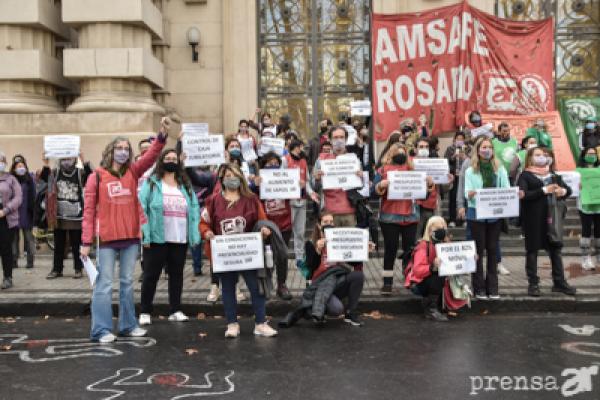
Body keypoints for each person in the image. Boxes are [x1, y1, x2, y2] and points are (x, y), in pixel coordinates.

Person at [81, 117, 171, 343]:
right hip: (107, 240)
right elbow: (89, 211)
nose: (122, 152)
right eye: (118, 148)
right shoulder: (97, 176)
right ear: (110, 151)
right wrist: (85, 242)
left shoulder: (133, 171)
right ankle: (101, 330)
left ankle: (128, 325)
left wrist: (161, 135)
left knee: (127, 283)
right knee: (103, 286)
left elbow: (150, 157)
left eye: (126, 148)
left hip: (131, 237)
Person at [200, 163, 277, 338]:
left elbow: (262, 220)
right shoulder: (213, 201)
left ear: (240, 177)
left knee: (256, 288)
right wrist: (207, 232)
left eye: (234, 175)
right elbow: (203, 222)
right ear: (222, 179)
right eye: (227, 175)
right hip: (225, 254)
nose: (231, 179)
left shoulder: (251, 199)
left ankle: (260, 323)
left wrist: (264, 230)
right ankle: (232, 324)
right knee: (227, 289)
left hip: (248, 253)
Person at [138, 148, 200, 326]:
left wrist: (194, 234)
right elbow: (142, 208)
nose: (171, 160)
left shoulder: (185, 185)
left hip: (179, 238)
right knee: (151, 275)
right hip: (157, 238)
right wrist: (145, 234)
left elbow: (194, 209)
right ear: (161, 161)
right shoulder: (151, 183)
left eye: (174, 158)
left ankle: (175, 309)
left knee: (177, 275)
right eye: (168, 158)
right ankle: (145, 310)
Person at [278, 212, 366, 328]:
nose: (329, 224)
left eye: (331, 222)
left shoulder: (337, 240)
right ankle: (317, 309)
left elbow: (353, 262)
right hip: (320, 284)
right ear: (319, 225)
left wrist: (364, 251)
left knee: (358, 276)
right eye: (325, 222)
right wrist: (317, 251)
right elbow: (311, 267)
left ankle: (350, 313)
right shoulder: (311, 244)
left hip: (336, 281)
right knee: (337, 309)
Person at [518, 147, 576, 297]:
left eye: (543, 155)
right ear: (530, 158)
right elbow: (523, 195)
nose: (542, 157)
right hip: (533, 220)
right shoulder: (525, 175)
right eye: (537, 155)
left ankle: (559, 282)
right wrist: (544, 190)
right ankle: (533, 284)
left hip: (552, 219)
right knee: (532, 251)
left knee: (555, 250)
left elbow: (568, 190)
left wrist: (562, 192)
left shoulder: (553, 175)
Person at [464, 137, 509, 300]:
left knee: (492, 250)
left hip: (494, 215)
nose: (487, 150)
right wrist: (471, 194)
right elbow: (466, 192)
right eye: (484, 147)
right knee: (477, 252)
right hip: (476, 214)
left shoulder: (500, 169)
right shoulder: (470, 171)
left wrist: (513, 194)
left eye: (489, 147)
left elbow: (506, 188)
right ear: (478, 149)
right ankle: (479, 289)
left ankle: (493, 288)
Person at [373, 143, 420, 295]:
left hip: (410, 217)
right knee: (390, 249)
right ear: (391, 154)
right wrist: (380, 184)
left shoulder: (413, 170)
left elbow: (423, 194)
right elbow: (372, 191)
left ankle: (410, 279)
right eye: (397, 152)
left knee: (410, 250)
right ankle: (387, 283)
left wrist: (428, 184)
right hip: (389, 217)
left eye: (403, 152)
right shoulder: (382, 170)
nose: (401, 154)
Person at [404, 216, 470, 321]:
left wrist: (470, 258)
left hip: (432, 280)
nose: (441, 231)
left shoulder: (445, 245)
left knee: (441, 274)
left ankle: (434, 305)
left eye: (443, 228)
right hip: (419, 283)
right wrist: (432, 267)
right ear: (429, 231)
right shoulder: (423, 246)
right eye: (437, 229)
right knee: (439, 274)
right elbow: (417, 271)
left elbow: (456, 261)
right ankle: (431, 309)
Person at [40, 153, 92, 279]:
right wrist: (46, 164)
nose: (66, 161)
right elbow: (45, 179)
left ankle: (78, 269)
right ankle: (57, 269)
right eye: (63, 159)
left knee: (76, 245)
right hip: (59, 216)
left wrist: (83, 161)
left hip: (76, 216)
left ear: (74, 159)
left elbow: (90, 177)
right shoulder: (56, 172)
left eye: (69, 158)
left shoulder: (79, 172)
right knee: (59, 245)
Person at [252, 152, 293, 300]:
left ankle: (282, 285)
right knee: (266, 257)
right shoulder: (259, 182)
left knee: (282, 256)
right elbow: (250, 196)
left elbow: (298, 193)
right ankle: (266, 286)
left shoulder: (285, 178)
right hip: (267, 226)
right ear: (263, 166)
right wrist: (255, 185)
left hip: (285, 224)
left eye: (276, 163)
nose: (273, 166)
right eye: (269, 164)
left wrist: (298, 185)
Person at [312, 126, 363, 227]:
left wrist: (361, 178)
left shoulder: (354, 160)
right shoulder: (321, 160)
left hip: (349, 211)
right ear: (330, 140)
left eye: (341, 137)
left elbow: (361, 187)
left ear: (346, 139)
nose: (339, 140)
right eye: (335, 137)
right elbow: (313, 186)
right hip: (328, 213)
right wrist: (317, 179)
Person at [283, 140, 317, 269]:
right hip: (288, 201)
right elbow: (278, 179)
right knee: (286, 232)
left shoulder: (303, 162)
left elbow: (306, 181)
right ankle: (282, 259)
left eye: (302, 147)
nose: (301, 150)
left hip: (301, 200)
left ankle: (299, 259)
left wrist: (311, 193)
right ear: (294, 148)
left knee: (300, 232)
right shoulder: (285, 160)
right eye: (300, 147)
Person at [0, 151, 22, 289]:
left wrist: (5, 210)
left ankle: (8, 277)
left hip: (5, 219)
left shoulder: (11, 179)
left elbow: (18, 198)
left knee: (5, 249)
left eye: (1, 161)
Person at [10, 155, 36, 269]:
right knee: (14, 239)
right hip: (14, 213)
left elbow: (34, 195)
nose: (20, 167)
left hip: (27, 213)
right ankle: (14, 260)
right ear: (14, 168)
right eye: (18, 166)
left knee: (29, 238)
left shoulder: (29, 179)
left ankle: (30, 261)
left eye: (22, 165)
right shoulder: (10, 179)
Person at [577, 146, 600, 270]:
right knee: (586, 232)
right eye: (589, 153)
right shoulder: (578, 171)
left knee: (598, 232)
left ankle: (598, 257)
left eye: (594, 153)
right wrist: (578, 186)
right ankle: (585, 258)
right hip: (585, 205)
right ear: (584, 155)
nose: (592, 156)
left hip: (598, 205)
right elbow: (572, 188)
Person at [444, 131, 469, 227]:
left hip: (466, 177)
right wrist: (453, 157)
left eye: (461, 139)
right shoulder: (450, 149)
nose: (460, 140)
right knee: (453, 198)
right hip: (454, 177)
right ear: (454, 139)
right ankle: (452, 219)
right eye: (458, 139)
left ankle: (464, 219)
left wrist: (465, 156)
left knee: (465, 197)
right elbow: (446, 162)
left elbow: (472, 160)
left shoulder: (468, 148)